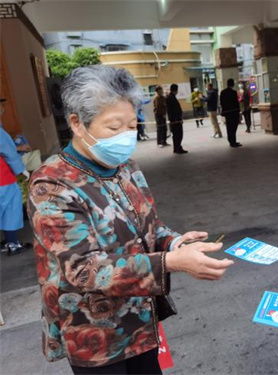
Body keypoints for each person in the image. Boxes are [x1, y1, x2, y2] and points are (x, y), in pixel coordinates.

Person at [27, 65, 234, 374]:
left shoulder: (126, 167)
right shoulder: (52, 185)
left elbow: (148, 227)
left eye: (131, 124)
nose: (126, 136)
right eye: (113, 128)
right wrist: (170, 262)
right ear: (77, 124)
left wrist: (175, 242)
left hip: (139, 320)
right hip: (94, 334)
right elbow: (83, 270)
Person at [0, 98, 30, 255]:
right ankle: (13, 243)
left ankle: (8, 242)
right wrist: (21, 170)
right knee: (10, 209)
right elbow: (8, 152)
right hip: (3, 178)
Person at [166, 84, 188, 154]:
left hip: (174, 120)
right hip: (175, 120)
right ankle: (178, 148)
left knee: (176, 135)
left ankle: (176, 148)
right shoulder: (171, 98)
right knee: (178, 134)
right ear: (175, 90)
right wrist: (178, 119)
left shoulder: (170, 97)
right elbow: (174, 110)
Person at [220, 78, 242, 148]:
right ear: (232, 84)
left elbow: (221, 102)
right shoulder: (233, 92)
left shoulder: (222, 92)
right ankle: (233, 142)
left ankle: (231, 141)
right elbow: (236, 103)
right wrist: (238, 111)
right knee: (234, 127)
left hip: (227, 113)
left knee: (229, 127)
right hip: (233, 112)